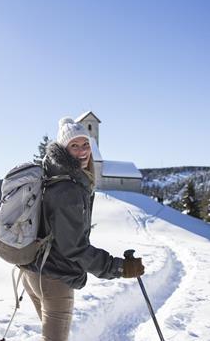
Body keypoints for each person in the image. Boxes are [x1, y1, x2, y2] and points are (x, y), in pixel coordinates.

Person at [22, 117, 145, 341]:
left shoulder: (51, 174)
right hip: (54, 278)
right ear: (63, 149)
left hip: (33, 271)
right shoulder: (68, 189)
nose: (82, 151)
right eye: (74, 146)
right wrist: (119, 268)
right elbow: (75, 249)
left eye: (85, 144)